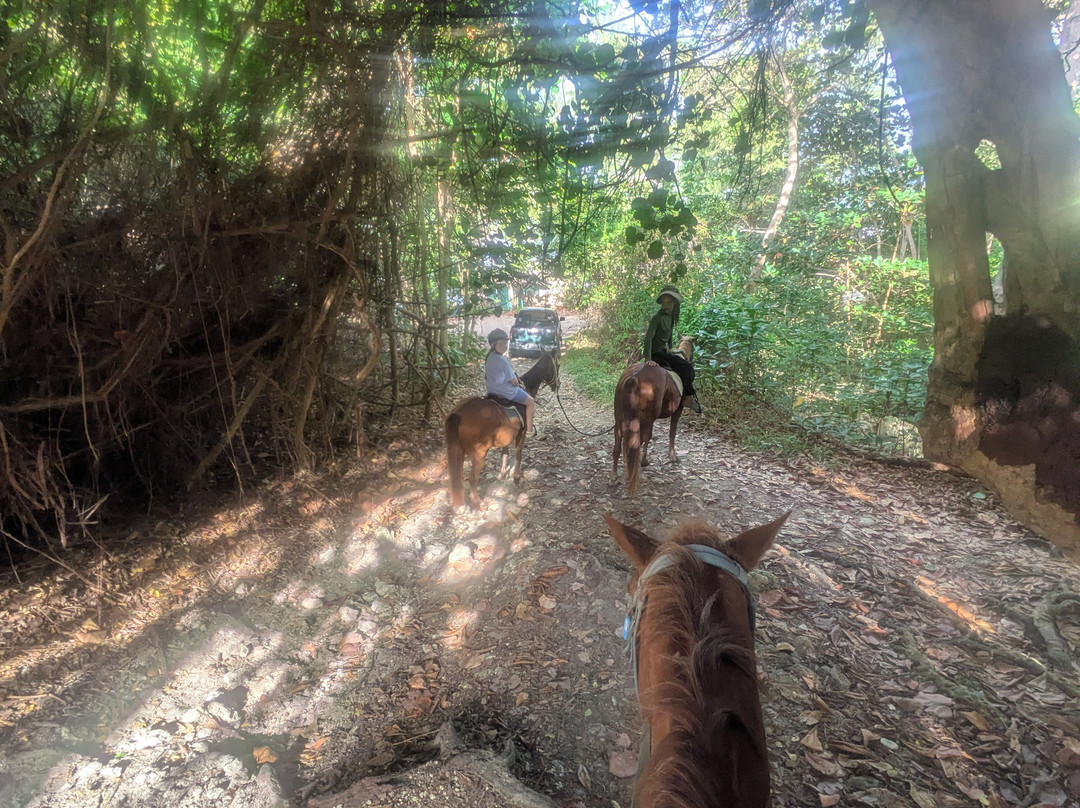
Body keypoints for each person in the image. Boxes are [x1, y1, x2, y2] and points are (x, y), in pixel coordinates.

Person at [643, 284, 703, 413]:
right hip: (657, 354)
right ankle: (688, 397)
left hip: (664, 352)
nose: (665, 305)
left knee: (685, 366)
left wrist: (670, 347)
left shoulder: (670, 318)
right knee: (687, 367)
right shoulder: (656, 318)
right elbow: (648, 338)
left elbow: (669, 334)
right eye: (663, 302)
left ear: (674, 303)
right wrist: (648, 358)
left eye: (669, 302)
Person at [485, 328, 536, 435]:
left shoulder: (489, 357)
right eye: (502, 344)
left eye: (506, 343)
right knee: (530, 401)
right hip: (506, 392)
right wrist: (517, 381)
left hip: (491, 391)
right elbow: (514, 382)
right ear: (494, 345)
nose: (505, 346)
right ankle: (529, 430)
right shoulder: (503, 360)